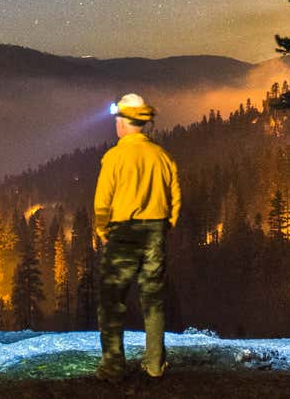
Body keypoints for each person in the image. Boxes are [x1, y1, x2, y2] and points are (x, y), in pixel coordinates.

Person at [93, 93, 181, 381]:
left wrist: (102, 230)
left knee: (112, 300)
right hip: (154, 231)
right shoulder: (162, 156)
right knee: (153, 300)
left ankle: (114, 365)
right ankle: (155, 364)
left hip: (122, 233)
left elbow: (102, 201)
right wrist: (165, 225)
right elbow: (175, 198)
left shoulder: (115, 157)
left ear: (122, 123)